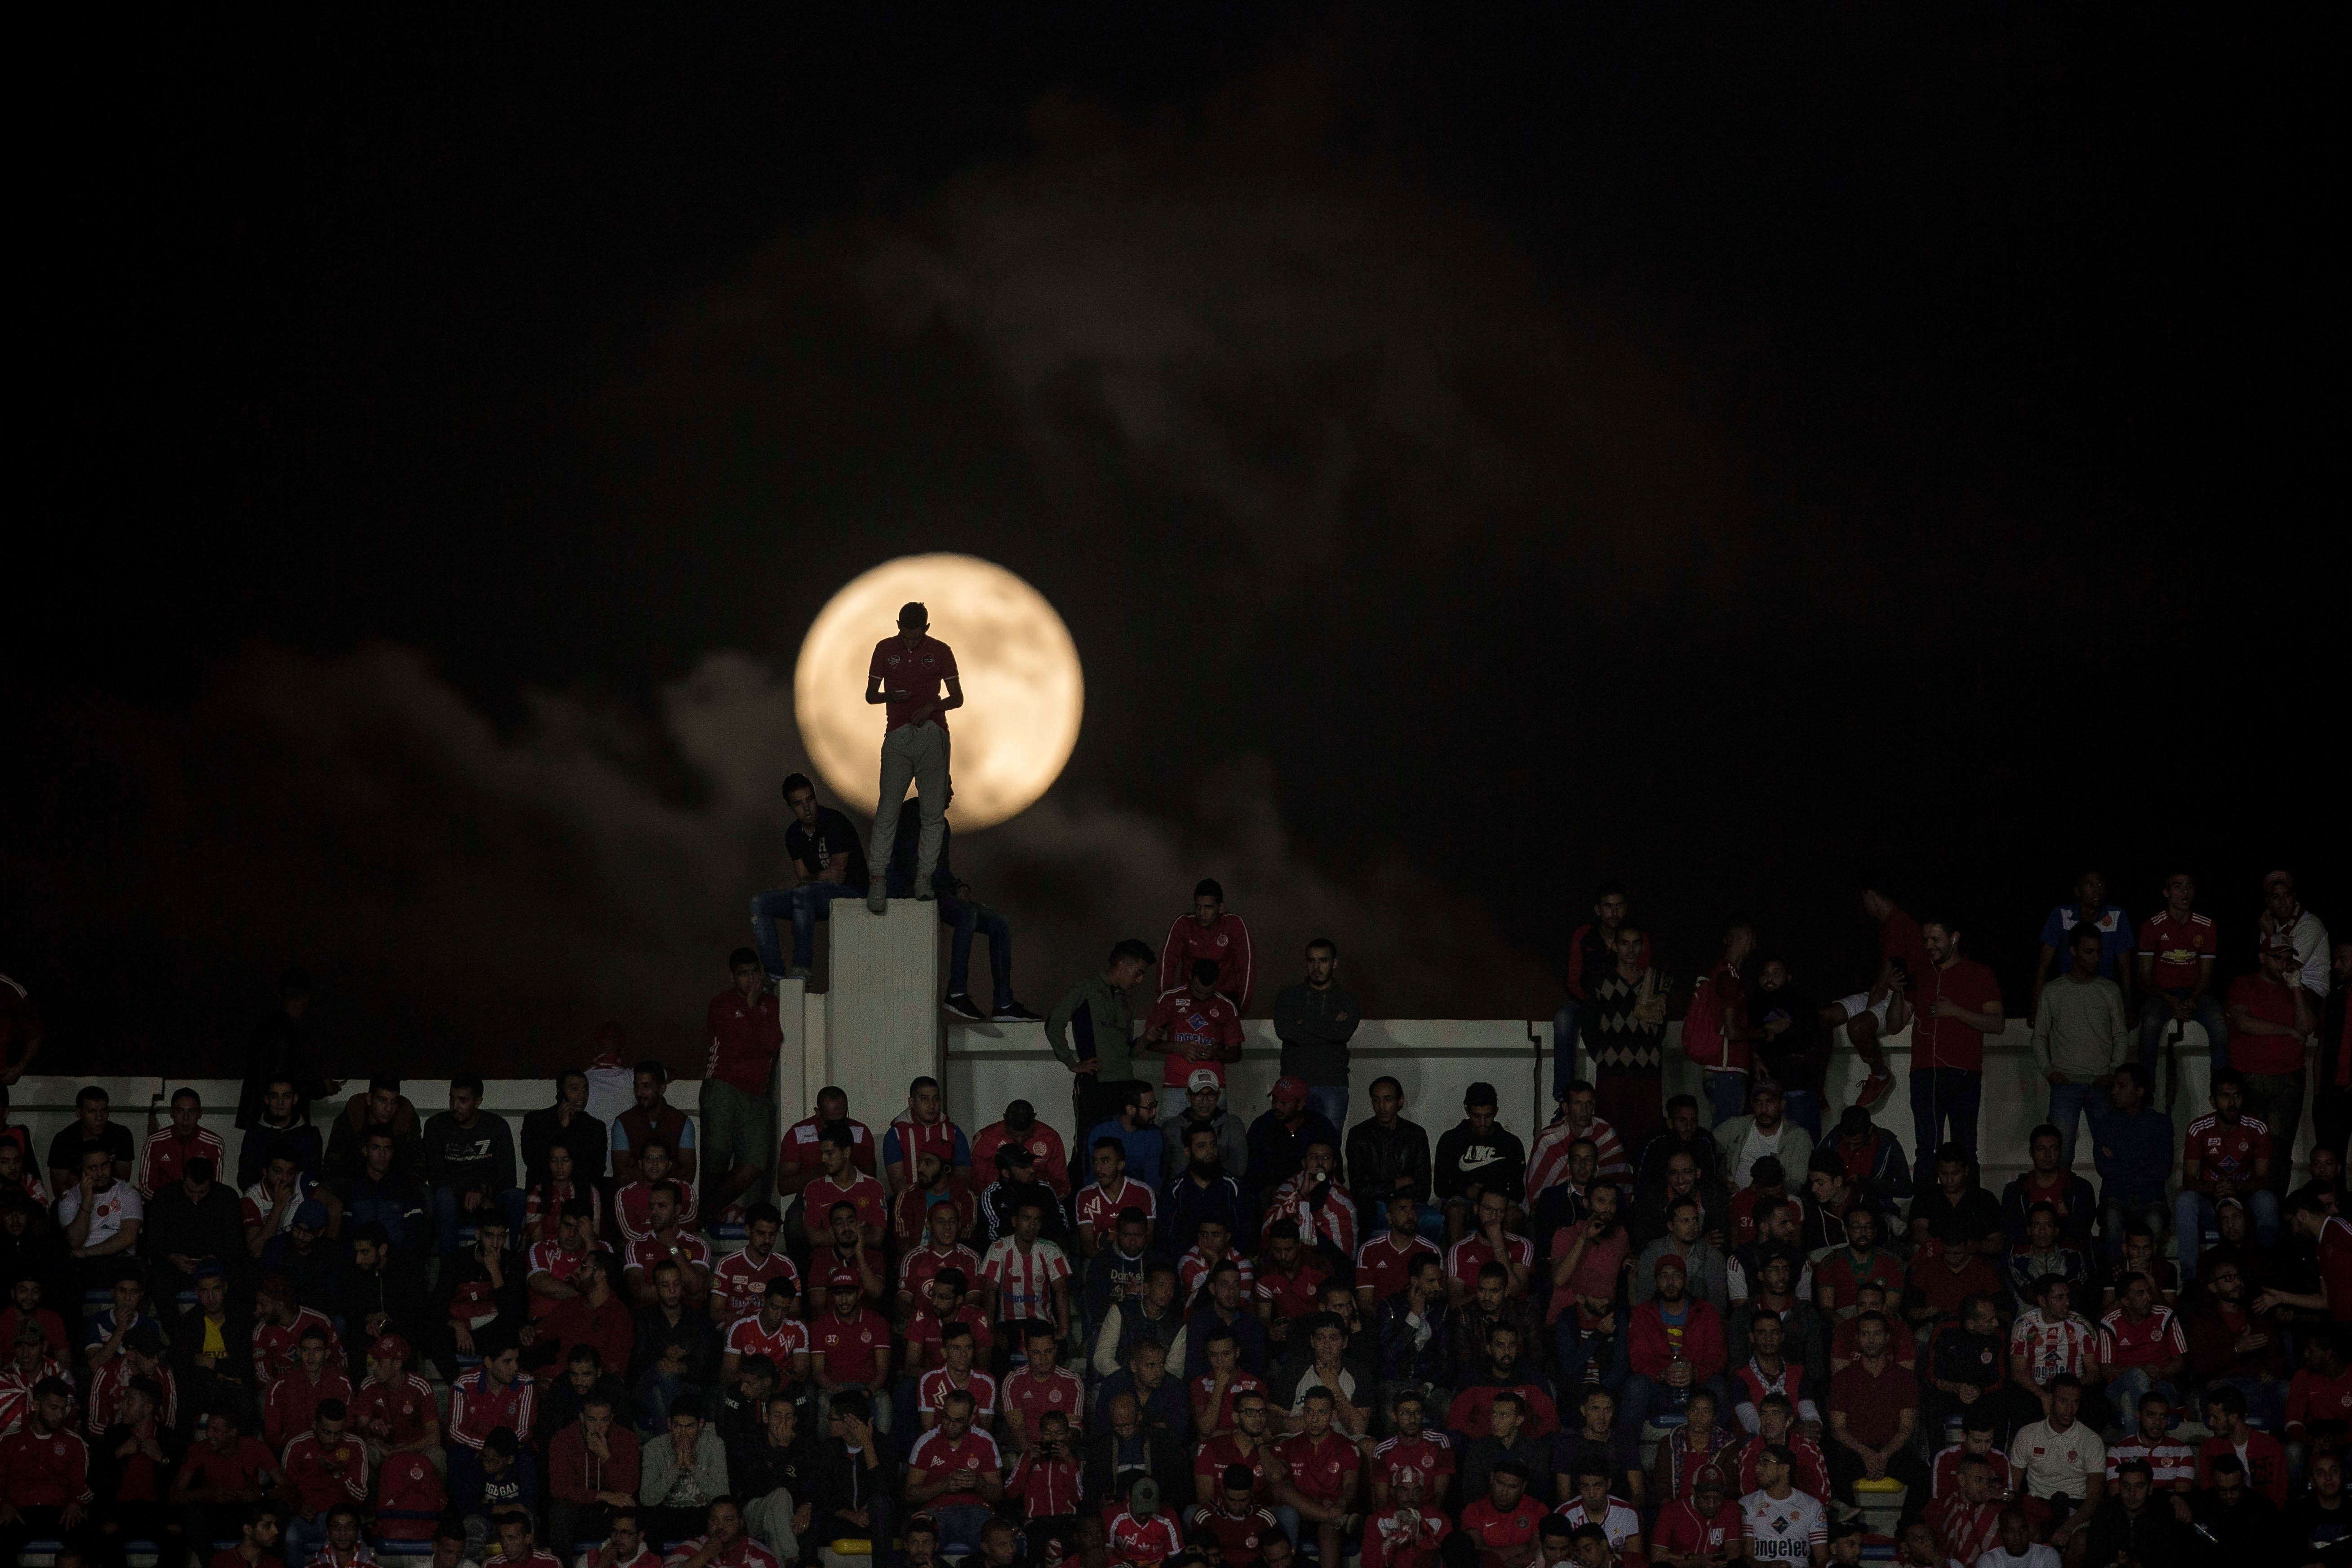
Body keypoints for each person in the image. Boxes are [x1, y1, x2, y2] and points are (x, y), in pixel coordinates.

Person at [884, 806, 1040, 1022]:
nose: (952, 793)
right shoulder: (911, 816)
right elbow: (907, 865)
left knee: (999, 923)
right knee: (967, 915)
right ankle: (957, 993)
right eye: (947, 785)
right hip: (907, 890)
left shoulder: (942, 824)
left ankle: (1004, 1004)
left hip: (935, 889)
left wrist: (958, 886)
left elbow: (942, 871)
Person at [862, 600, 960, 915]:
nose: (911, 642)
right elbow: (870, 695)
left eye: (916, 637)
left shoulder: (942, 651)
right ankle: (877, 878)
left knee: (932, 813)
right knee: (888, 807)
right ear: (898, 626)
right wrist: (891, 696)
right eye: (906, 636)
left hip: (932, 732)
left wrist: (932, 707)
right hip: (898, 734)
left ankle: (924, 879)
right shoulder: (884, 649)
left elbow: (957, 698)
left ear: (927, 629)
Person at [1908, 917, 2005, 1189]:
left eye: (1936, 940)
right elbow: (1895, 1023)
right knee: (1927, 1149)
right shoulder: (1922, 975)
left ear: (1954, 938)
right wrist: (1895, 992)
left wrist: (1956, 1012)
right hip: (1925, 1074)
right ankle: (1924, 1217)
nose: (1929, 946)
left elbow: (1997, 1023)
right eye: (1926, 940)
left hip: (1964, 1073)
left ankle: (1971, 1215)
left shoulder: (1979, 974)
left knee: (1965, 1148)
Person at [755, 772, 870, 982]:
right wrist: (814, 883)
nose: (807, 808)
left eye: (810, 800)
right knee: (760, 903)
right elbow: (803, 877)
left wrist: (810, 884)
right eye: (799, 804)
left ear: (815, 798)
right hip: (813, 895)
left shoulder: (835, 822)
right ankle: (774, 974)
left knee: (803, 894)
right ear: (791, 807)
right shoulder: (793, 834)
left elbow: (839, 876)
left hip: (852, 892)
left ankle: (802, 967)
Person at [2032, 926, 2130, 1169]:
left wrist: (2113, 1071)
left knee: (2111, 1153)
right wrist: (2049, 1071)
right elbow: (2039, 1036)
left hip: (2102, 1084)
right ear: (2074, 951)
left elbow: (2121, 1034)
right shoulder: (2054, 991)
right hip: (2066, 1083)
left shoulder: (2109, 990)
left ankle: (2111, 1205)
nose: (2095, 958)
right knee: (2060, 1157)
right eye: (2089, 952)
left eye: (2098, 952)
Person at [2228, 936, 2319, 1195]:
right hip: (2251, 1077)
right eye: (2278, 958)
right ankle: (2248, 1209)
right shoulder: (2243, 984)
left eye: (2288, 959)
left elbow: (2308, 1027)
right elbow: (2244, 1023)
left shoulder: (2296, 990)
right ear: (2263, 957)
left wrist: (2296, 988)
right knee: (2247, 1146)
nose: (2284, 964)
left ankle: (2275, 1211)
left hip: (2288, 1078)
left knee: (2279, 1150)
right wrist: (2288, 1032)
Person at [2176, 1071, 2279, 1284]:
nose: (2232, 1103)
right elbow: (2189, 1181)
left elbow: (2265, 1179)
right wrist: (2214, 1190)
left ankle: (2266, 1279)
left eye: (2237, 1096)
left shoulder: (2257, 1128)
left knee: (2267, 1201)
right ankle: (2190, 1282)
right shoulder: (2199, 1129)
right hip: (2211, 1202)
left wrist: (2238, 1187)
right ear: (2213, 1102)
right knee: (2185, 1201)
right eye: (2225, 1096)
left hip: (2244, 1201)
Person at [702, 948, 782, 1218]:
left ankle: (706, 1211)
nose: (750, 979)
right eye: (743, 974)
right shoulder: (721, 1003)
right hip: (723, 1085)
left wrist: (753, 1006)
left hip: (757, 1094)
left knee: (756, 1163)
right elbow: (740, 1045)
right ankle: (702, 1219)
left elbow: (771, 1044)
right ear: (732, 977)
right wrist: (753, 1010)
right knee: (716, 1155)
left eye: (754, 972)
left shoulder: (770, 1004)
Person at [1050, 939, 1156, 1137]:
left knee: (1123, 1146)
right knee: (1089, 1143)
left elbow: (1127, 1051)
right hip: (1096, 1083)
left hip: (1125, 1084)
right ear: (1122, 965)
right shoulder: (1087, 989)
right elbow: (1054, 1023)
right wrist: (1071, 1062)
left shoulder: (1125, 1000)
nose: (1139, 981)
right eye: (1139, 973)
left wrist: (1146, 1039)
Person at [1825, 1312, 1923, 1503]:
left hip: (1892, 1451)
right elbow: (1838, 1429)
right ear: (1858, 1338)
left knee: (1922, 1477)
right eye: (1865, 1334)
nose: (1871, 1340)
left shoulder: (1904, 1377)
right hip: (1855, 1451)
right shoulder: (1843, 1378)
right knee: (1833, 1472)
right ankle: (1852, 1528)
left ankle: (1905, 1529)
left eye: (1877, 1334)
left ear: (1887, 1338)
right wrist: (1867, 1454)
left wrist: (1883, 1456)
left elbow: (1907, 1427)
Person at [2135, 872, 2226, 1078]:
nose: (2185, 892)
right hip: (2162, 994)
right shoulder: (2152, 926)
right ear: (2166, 893)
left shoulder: (2207, 926)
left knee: (2219, 1022)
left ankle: (2221, 1088)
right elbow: (2145, 976)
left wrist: (2193, 999)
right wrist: (2170, 1000)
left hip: (2195, 993)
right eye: (2178, 887)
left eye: (2189, 887)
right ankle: (2144, 1093)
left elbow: (2206, 974)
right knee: (2149, 1024)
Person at [424, 1075, 526, 1257]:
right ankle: (449, 1267)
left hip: (489, 1200)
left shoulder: (497, 1126)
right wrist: (469, 1192)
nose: (455, 1106)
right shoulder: (436, 1126)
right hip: (454, 1198)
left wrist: (484, 1192)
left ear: (478, 1102)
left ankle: (512, 1261)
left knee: (516, 1196)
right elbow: (435, 1176)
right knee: (444, 1198)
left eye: (463, 1100)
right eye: (452, 1098)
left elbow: (509, 1176)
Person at [2007, 1375, 2103, 1550]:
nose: (2069, 1409)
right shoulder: (2028, 1434)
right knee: (2025, 1534)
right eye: (2063, 1401)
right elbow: (2012, 1485)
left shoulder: (2091, 1440)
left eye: (2075, 1402)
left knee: (2081, 1542)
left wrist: (2068, 1528)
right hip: (2038, 1505)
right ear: (2051, 1399)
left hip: (2075, 1507)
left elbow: (2094, 1498)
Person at [1272, 939, 1359, 1131]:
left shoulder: (1347, 1000)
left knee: (1328, 1146)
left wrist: (1304, 1024)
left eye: (1323, 961)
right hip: (1294, 1084)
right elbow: (1286, 1031)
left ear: (1334, 963)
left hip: (1332, 1084)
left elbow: (1343, 1033)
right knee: (1291, 1147)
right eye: (1311, 961)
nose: (1316, 966)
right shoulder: (1289, 997)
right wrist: (1330, 1024)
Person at [905, 1385, 1003, 1550]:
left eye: (958, 1421)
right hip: (937, 1512)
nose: (950, 1425)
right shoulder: (926, 1442)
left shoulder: (985, 1442)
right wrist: (944, 1486)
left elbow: (998, 1495)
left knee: (998, 1544)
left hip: (977, 1513)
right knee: (920, 1544)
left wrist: (977, 1484)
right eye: (946, 1418)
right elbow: (910, 1494)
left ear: (972, 1417)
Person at [1683, 924, 1759, 1127]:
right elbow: (1733, 1031)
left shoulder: (1720, 973)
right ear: (1748, 939)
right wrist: (1764, 1033)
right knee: (1728, 1137)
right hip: (1727, 1073)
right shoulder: (1729, 978)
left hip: (1719, 1071)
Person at [2034, 871, 2136, 1016]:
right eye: (2090, 885)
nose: (2097, 890)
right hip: (2067, 994)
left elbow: (2125, 968)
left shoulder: (2117, 915)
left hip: (2104, 996)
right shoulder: (2061, 915)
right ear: (2077, 891)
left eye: (2100, 884)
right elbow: (2044, 965)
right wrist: (2036, 1005)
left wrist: (2128, 1007)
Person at [1433, 1083, 1526, 1239]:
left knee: (1514, 1215)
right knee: (1455, 1211)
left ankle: (1504, 1261)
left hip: (1500, 1200)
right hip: (1462, 1201)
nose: (1483, 1123)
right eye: (1477, 1116)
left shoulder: (1510, 1143)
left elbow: (1519, 1192)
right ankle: (1459, 1261)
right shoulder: (1451, 1140)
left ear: (1496, 1112)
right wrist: (1466, 1190)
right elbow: (1440, 1187)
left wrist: (1490, 1194)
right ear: (1468, 1112)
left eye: (1488, 1116)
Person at [1752, 959, 1830, 1140]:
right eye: (1766, 973)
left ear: (1788, 977)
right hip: (1766, 1090)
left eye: (1776, 973)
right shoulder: (1753, 1006)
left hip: (1798, 1086)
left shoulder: (1802, 1004)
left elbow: (1810, 1041)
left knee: (1803, 1144)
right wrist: (1769, 1030)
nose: (1770, 978)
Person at [638, 1396, 731, 1545]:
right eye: (677, 1426)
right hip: (667, 1515)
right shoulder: (654, 1448)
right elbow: (647, 1498)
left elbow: (723, 1496)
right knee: (648, 1519)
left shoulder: (714, 1445)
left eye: (689, 1427)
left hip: (703, 1514)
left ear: (700, 1425)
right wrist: (675, 1468)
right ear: (669, 1424)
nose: (683, 1434)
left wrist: (693, 1466)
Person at [1147, 960, 1247, 1093]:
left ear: (1216, 983)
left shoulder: (1226, 1006)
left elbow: (1236, 1055)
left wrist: (1216, 1054)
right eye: (1197, 991)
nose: (1201, 997)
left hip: (1213, 1089)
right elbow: (1148, 1043)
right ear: (1190, 976)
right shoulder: (1170, 999)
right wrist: (1179, 1047)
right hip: (1176, 1086)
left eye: (1207, 994)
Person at [57, 1140, 143, 1293]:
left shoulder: (128, 1192)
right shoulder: (70, 1197)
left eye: (105, 1165)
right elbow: (74, 1242)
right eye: (93, 1168)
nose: (101, 1173)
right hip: (83, 1263)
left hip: (119, 1260)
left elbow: (128, 1237)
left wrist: (87, 1252)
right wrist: (87, 1201)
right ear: (81, 1170)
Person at [1161, 880, 1256, 1016]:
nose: (1202, 913)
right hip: (1190, 997)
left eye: (1208, 907)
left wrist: (1241, 1010)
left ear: (1220, 908)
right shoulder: (1184, 924)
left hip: (1225, 996)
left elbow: (1248, 968)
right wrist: (1165, 1005)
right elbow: (1166, 967)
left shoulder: (1234, 924)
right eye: (1198, 907)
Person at [611, 1061, 698, 1188]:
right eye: (636, 1086)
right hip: (636, 1197)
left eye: (646, 1086)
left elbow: (688, 1174)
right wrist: (668, 1168)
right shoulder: (624, 1122)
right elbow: (622, 1175)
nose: (639, 1093)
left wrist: (641, 1170)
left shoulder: (682, 1122)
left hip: (670, 1198)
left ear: (662, 1089)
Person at [1737, 1444, 1826, 1568]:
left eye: (1765, 1462)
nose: (1757, 1468)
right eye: (1758, 1463)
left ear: (1785, 1469)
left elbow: (1822, 1559)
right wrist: (1768, 1566)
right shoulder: (1748, 1503)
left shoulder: (1812, 1506)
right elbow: (1746, 1558)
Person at [139, 1085, 228, 1197]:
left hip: (200, 1209)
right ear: (171, 1113)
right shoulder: (155, 1142)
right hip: (163, 1209)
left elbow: (215, 1189)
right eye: (180, 1111)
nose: (186, 1118)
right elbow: (146, 1188)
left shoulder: (214, 1144)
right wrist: (174, 1206)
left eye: (192, 1112)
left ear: (200, 1114)